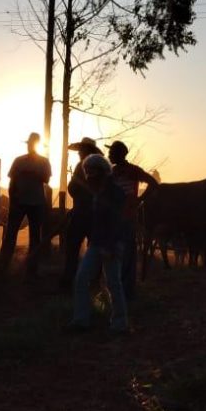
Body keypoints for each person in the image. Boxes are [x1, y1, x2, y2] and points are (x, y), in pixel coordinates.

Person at [70, 154, 128, 333]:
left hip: (111, 244)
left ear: (102, 171)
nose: (88, 175)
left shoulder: (115, 193)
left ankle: (120, 324)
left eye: (91, 171)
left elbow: (117, 222)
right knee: (81, 279)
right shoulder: (97, 192)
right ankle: (81, 321)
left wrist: (110, 247)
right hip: (96, 244)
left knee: (113, 283)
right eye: (86, 171)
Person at [106, 140, 159, 298]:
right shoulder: (111, 173)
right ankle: (116, 288)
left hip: (128, 218)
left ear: (119, 154)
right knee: (114, 254)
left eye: (111, 152)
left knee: (128, 253)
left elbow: (153, 183)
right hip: (113, 219)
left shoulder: (133, 170)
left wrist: (139, 200)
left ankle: (127, 290)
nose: (109, 155)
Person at [0, 132, 52, 279]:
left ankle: (31, 271)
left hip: (36, 203)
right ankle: (2, 268)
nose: (30, 146)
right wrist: (13, 198)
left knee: (34, 237)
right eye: (29, 144)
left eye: (32, 143)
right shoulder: (19, 161)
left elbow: (46, 179)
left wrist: (32, 173)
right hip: (20, 202)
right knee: (11, 234)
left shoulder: (43, 162)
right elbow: (12, 182)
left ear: (36, 145)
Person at [59, 137, 103, 288]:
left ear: (87, 150)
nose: (79, 153)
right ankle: (93, 282)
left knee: (73, 246)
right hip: (92, 214)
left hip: (84, 213)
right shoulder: (101, 167)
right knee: (94, 248)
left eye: (81, 150)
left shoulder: (83, 166)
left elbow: (73, 188)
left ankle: (70, 280)